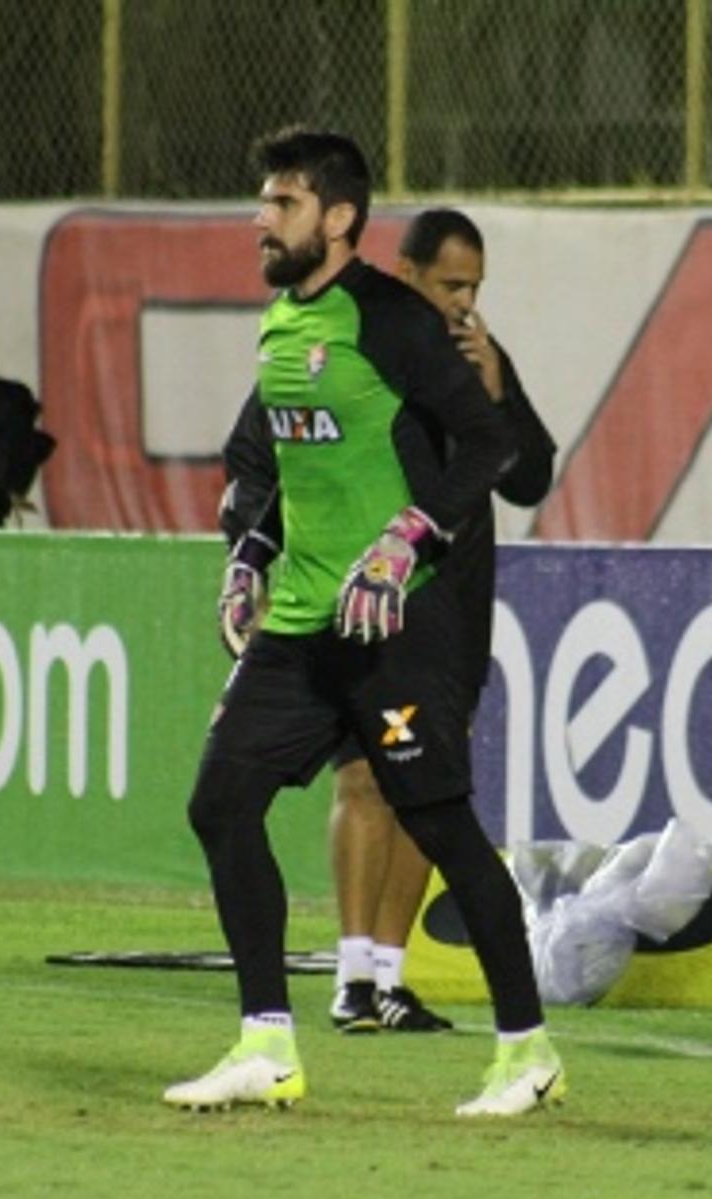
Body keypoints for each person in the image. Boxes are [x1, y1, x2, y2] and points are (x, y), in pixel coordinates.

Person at [166, 128, 565, 1118]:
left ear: (339, 219)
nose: (263, 220)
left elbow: (490, 444)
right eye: (264, 201)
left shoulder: (390, 322)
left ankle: (527, 1049)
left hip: (393, 630)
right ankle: (267, 1042)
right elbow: (279, 468)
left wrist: (408, 538)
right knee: (219, 804)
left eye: (284, 204)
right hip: (301, 623)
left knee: (439, 823)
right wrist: (248, 557)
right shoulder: (281, 324)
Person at [313, 209, 555, 1034]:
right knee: (362, 776)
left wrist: (496, 398)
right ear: (406, 272)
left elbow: (531, 478)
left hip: (456, 608)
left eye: (476, 288)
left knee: (431, 790)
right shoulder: (364, 351)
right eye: (452, 284)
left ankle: (389, 977)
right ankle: (348, 975)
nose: (465, 302)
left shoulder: (477, 359)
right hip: (374, 600)